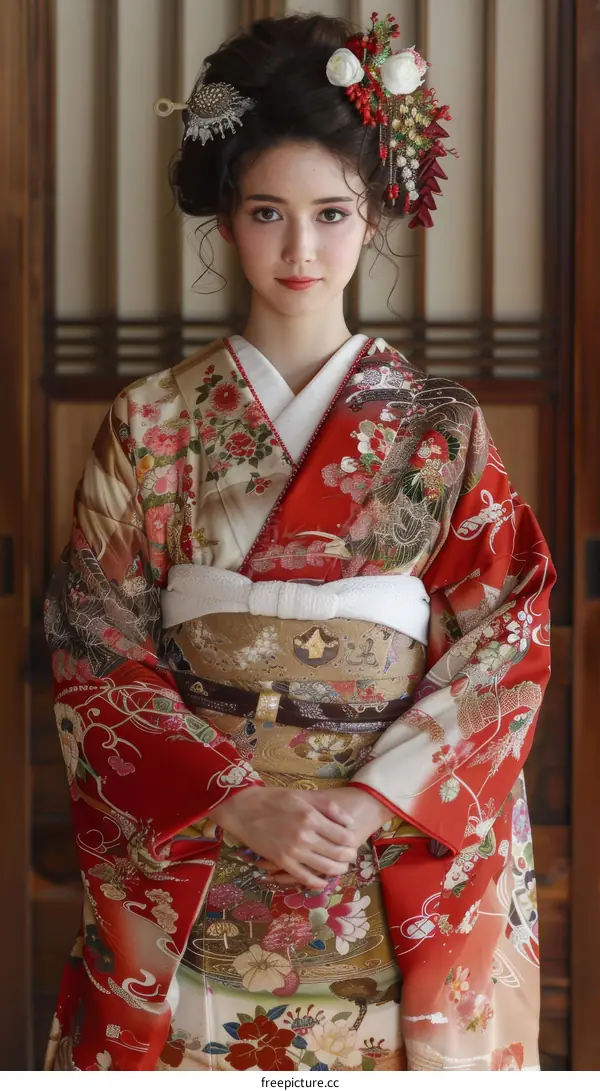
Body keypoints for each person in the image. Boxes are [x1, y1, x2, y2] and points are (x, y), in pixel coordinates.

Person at [44, 11, 555, 1073]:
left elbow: (504, 645)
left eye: (332, 213)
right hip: (209, 853)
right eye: (269, 211)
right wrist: (238, 797)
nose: (301, 249)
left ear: (374, 222)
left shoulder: (439, 429)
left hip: (376, 868)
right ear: (226, 221)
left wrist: (371, 803)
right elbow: (95, 648)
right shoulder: (151, 425)